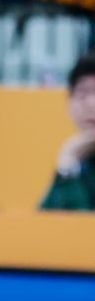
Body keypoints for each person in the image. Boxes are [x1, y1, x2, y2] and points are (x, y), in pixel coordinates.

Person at [41, 53, 95, 212]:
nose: (91, 104)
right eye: (83, 94)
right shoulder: (77, 160)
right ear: (69, 102)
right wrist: (67, 165)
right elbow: (44, 222)